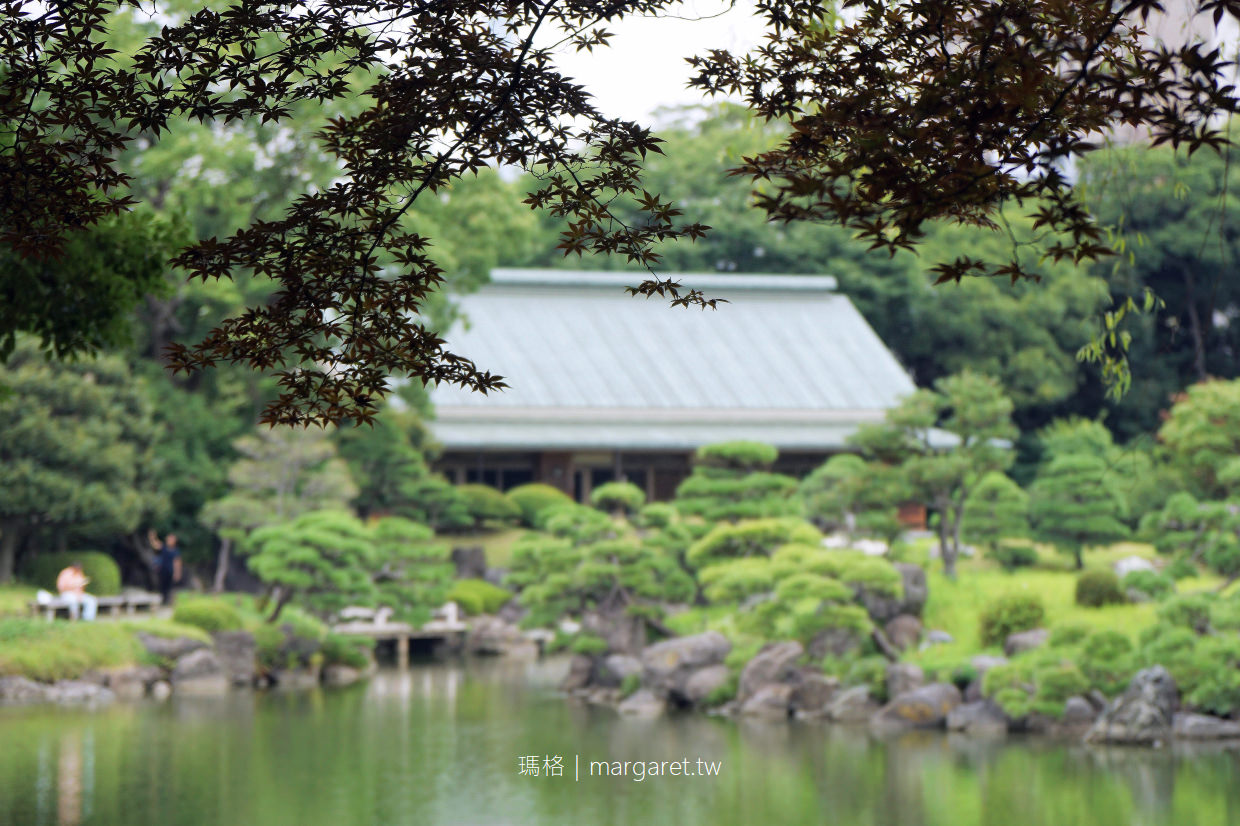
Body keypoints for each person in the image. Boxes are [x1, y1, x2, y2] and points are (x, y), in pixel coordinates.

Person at [150, 531, 183, 605]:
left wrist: (177, 573)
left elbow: (177, 563)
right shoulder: (164, 547)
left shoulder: (175, 551)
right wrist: (152, 537)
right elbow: (155, 544)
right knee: (162, 586)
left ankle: (169, 601)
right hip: (162, 570)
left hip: (170, 571)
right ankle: (163, 600)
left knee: (170, 587)